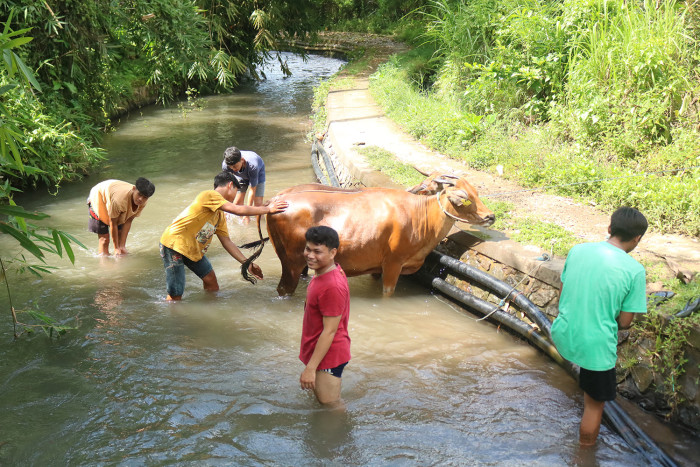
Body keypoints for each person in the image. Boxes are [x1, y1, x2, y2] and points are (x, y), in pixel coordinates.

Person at [551, 206, 648, 446]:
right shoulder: (635, 271)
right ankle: (584, 453)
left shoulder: (578, 250)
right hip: (594, 347)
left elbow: (562, 293)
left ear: (609, 228)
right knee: (594, 406)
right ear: (637, 239)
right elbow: (625, 322)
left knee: (585, 380)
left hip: (563, 332)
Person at [159, 171, 287, 301]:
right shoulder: (209, 195)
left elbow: (227, 242)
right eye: (236, 191)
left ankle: (208, 312)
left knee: (212, 284)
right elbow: (237, 209)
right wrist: (267, 209)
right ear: (230, 185)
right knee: (176, 294)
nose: (235, 198)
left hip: (192, 249)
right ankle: (172, 315)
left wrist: (248, 264)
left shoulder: (219, 215)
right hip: (173, 245)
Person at [299, 226, 351, 407]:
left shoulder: (332, 286)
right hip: (321, 352)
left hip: (328, 356)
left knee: (331, 406)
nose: (310, 255)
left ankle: (339, 434)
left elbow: (330, 331)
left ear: (333, 252)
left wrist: (311, 368)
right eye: (308, 249)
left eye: (317, 251)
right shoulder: (326, 272)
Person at [87, 177, 156, 256]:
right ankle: (104, 263)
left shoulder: (142, 202)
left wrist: (122, 246)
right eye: (139, 194)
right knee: (104, 240)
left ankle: (120, 252)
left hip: (113, 195)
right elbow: (113, 223)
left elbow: (128, 220)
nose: (141, 199)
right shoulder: (119, 200)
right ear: (134, 189)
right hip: (99, 196)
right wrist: (116, 248)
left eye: (145, 197)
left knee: (120, 237)